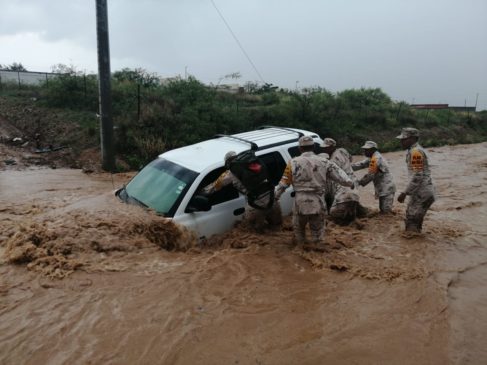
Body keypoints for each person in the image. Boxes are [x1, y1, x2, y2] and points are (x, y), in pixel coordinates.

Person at [274, 136, 354, 245]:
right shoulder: (325, 162)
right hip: (318, 201)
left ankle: (302, 250)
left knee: (299, 232)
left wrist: (275, 197)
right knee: (318, 236)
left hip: (300, 202)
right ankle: (318, 250)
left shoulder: (293, 163)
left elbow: (283, 184)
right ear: (313, 147)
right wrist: (350, 183)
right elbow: (341, 177)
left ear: (300, 148)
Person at [202, 151, 282, 232]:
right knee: (278, 230)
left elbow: (215, 186)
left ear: (228, 162)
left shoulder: (230, 173)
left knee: (252, 235)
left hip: (256, 206)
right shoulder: (256, 164)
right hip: (273, 200)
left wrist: (202, 192)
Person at [396, 128, 436, 232]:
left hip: (421, 193)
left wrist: (405, 193)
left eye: (404, 139)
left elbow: (417, 175)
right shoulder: (414, 150)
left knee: (412, 223)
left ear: (413, 139)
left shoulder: (415, 152)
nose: (401, 141)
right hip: (421, 192)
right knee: (413, 221)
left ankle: (413, 244)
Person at [320, 138, 366, 224]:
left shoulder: (333, 160)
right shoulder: (343, 150)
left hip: (344, 182)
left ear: (333, 147)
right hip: (353, 180)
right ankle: (356, 218)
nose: (324, 149)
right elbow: (351, 159)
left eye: (327, 147)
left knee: (337, 210)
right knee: (352, 203)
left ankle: (348, 222)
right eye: (324, 147)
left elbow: (335, 174)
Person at [352, 141, 396, 213]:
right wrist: (346, 167)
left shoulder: (375, 159)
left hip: (386, 188)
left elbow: (370, 175)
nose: (364, 151)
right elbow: (360, 165)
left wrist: (358, 183)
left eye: (366, 150)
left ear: (373, 150)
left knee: (386, 212)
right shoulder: (372, 158)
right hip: (383, 187)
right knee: (383, 210)